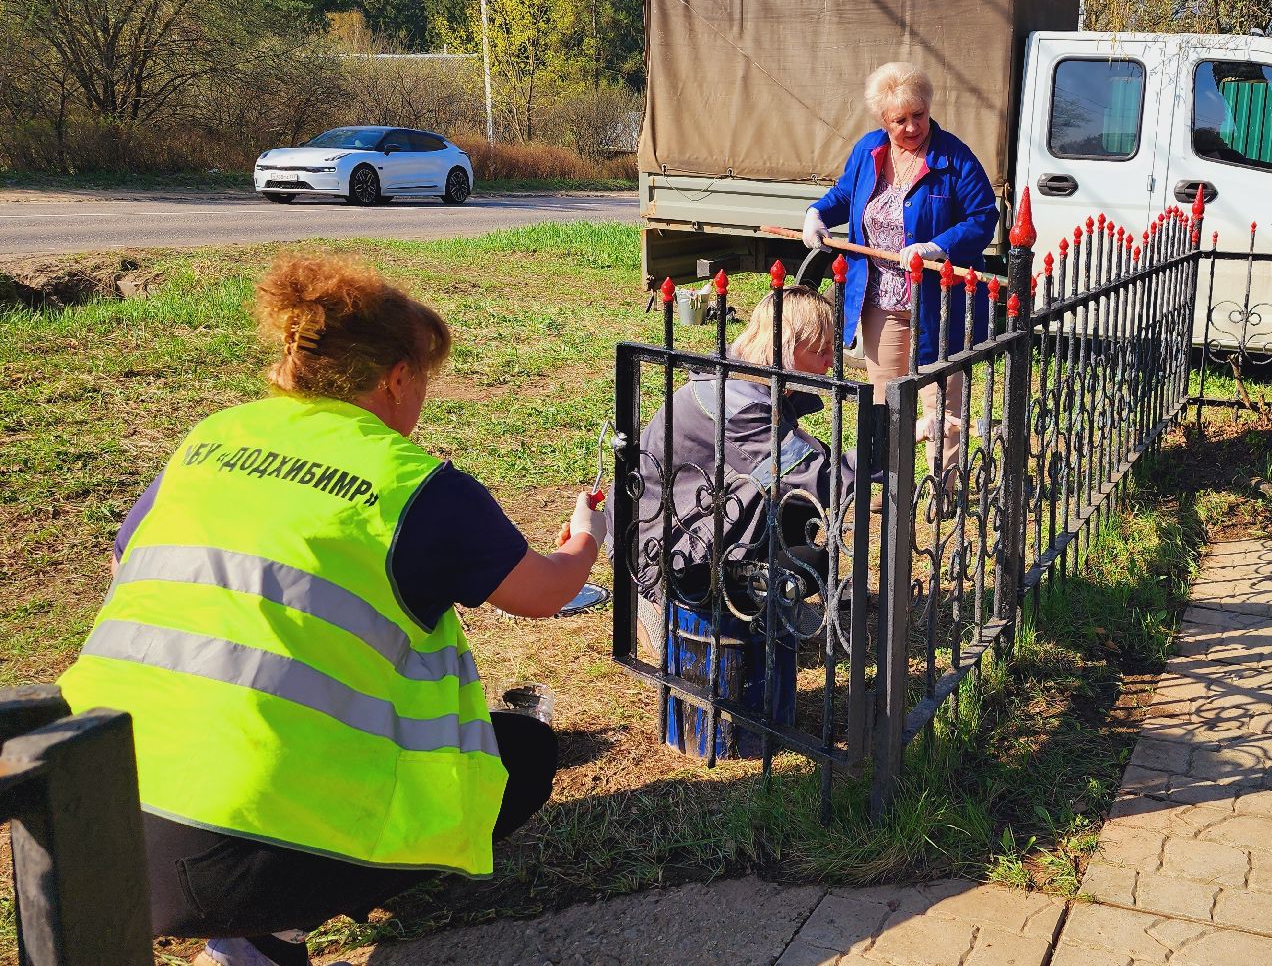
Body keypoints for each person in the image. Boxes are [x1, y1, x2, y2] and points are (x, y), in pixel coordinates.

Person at [56, 256, 604, 966]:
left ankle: (256, 909)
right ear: (398, 377)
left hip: (88, 824)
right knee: (522, 757)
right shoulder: (416, 487)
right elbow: (546, 592)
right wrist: (588, 535)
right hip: (232, 858)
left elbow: (126, 567)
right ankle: (264, 930)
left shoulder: (210, 439)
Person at [631, 287, 852, 758]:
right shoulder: (740, 402)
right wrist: (892, 445)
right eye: (824, 349)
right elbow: (821, 478)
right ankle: (661, 608)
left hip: (694, 515)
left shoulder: (743, 373)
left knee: (795, 519)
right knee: (799, 516)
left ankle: (754, 600)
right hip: (667, 547)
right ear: (789, 347)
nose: (833, 362)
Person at [802, 61, 997, 491]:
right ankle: (887, 486)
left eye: (918, 116)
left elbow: (984, 216)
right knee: (886, 398)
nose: (911, 127)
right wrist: (817, 213)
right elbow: (842, 196)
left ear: (929, 109)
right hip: (881, 303)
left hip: (937, 302)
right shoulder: (868, 151)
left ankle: (944, 488)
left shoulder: (954, 158)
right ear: (882, 120)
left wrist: (937, 246)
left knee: (942, 398)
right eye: (899, 120)